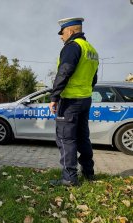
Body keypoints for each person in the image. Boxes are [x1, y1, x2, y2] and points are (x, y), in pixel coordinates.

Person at [49, 17, 99, 186]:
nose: (61, 37)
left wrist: (54, 97)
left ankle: (69, 178)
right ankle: (88, 172)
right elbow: (94, 78)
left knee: (66, 139)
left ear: (70, 31)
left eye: (62, 33)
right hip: (85, 99)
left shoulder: (72, 47)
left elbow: (64, 71)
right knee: (83, 137)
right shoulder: (91, 50)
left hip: (70, 101)